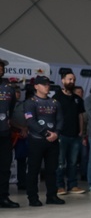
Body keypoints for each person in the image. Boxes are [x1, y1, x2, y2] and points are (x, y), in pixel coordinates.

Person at [21, 76, 64, 207]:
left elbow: (60, 120)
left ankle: (52, 196)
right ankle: (33, 198)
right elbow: (31, 121)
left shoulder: (55, 102)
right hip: (37, 140)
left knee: (52, 170)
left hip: (53, 141)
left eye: (48, 84)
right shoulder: (31, 102)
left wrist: (56, 133)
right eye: (43, 84)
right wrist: (45, 133)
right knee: (34, 170)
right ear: (36, 86)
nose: (47, 86)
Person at [53, 71, 86, 195]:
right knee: (60, 163)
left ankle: (73, 185)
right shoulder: (56, 97)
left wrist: (81, 131)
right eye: (69, 79)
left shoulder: (77, 99)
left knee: (73, 163)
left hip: (75, 136)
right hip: (61, 135)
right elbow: (53, 116)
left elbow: (80, 116)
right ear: (62, 80)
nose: (72, 82)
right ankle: (59, 186)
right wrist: (56, 132)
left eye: (73, 80)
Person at [0, 60, 21, 208]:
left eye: (1, 68)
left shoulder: (8, 89)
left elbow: (11, 109)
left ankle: (3, 197)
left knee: (4, 167)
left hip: (4, 133)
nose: (0, 70)